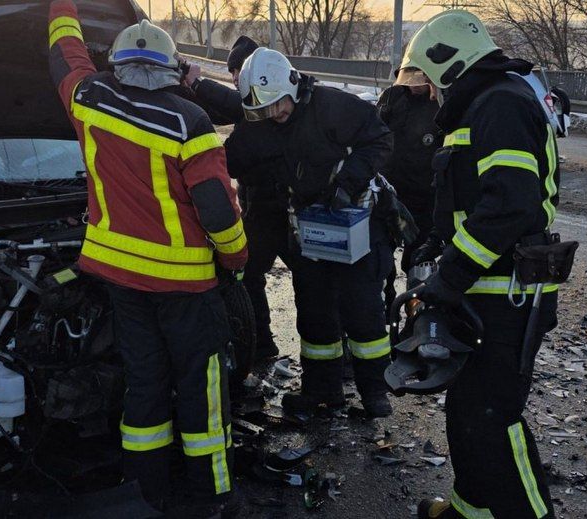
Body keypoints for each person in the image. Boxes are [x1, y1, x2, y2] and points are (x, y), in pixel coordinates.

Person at [47, 3, 247, 514]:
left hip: (119, 279)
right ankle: (211, 495)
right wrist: (236, 259)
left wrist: (62, 6)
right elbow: (218, 211)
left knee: (144, 382)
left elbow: (63, 53)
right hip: (186, 287)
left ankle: (147, 490)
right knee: (202, 388)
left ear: (116, 62)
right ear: (172, 68)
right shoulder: (191, 121)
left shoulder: (88, 97)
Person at [400, 10, 561, 519]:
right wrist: (431, 244)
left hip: (506, 296)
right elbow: (466, 202)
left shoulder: (501, 105)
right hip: (483, 292)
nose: (426, 91)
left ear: (449, 63)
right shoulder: (481, 106)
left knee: (494, 420)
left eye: (428, 77)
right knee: (468, 415)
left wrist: (449, 277)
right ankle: (469, 512)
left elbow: (512, 205)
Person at [228, 48, 395, 419]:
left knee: (363, 310)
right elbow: (230, 158)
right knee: (315, 312)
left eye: (278, 107)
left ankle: (374, 392)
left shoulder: (332, 106)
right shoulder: (262, 123)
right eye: (265, 111)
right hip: (308, 229)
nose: (275, 115)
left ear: (293, 86)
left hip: (354, 223)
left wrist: (347, 184)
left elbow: (379, 140)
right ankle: (322, 391)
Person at [181, 36, 291, 360]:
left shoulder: (263, 106)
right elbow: (228, 106)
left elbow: (235, 110)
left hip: (272, 210)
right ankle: (265, 345)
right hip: (271, 209)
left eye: (236, 71)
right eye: (230, 73)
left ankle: (264, 346)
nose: (232, 79)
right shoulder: (268, 97)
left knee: (250, 275)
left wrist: (197, 82)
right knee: (258, 278)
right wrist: (194, 88)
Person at [376, 68, 444, 306]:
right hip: (389, 194)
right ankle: (382, 308)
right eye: (410, 78)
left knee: (420, 261)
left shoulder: (440, 101)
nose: (414, 85)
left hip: (426, 196)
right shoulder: (392, 97)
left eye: (420, 79)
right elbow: (374, 133)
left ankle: (417, 316)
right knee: (379, 259)